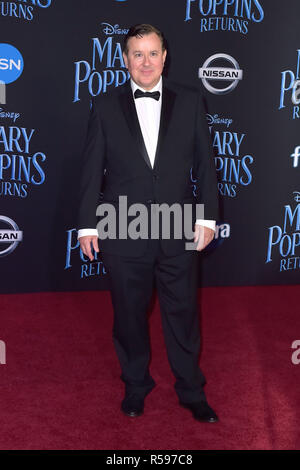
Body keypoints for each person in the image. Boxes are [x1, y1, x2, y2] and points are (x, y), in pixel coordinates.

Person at [77, 24, 219, 423]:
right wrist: (88, 226)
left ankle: (191, 390)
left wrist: (207, 216)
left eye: (152, 53)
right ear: (124, 60)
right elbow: (91, 170)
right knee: (128, 315)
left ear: (164, 56)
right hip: (123, 227)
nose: (145, 62)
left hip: (179, 226)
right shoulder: (105, 105)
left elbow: (207, 165)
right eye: (137, 54)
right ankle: (136, 386)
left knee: (184, 313)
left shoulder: (191, 101)